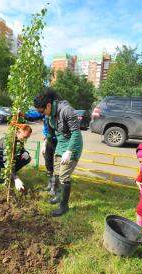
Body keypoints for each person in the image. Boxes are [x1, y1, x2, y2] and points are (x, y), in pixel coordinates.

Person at [34, 88, 83, 217]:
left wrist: (69, 151)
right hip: (60, 145)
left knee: (64, 176)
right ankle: (58, 196)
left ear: (48, 105)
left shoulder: (66, 110)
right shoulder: (50, 117)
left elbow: (76, 133)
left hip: (73, 145)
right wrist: (45, 143)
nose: (42, 114)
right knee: (56, 172)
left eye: (42, 111)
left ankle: (64, 206)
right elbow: (50, 134)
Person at [0, 124, 32, 191]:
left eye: (27, 137)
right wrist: (16, 179)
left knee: (27, 158)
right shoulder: (8, 141)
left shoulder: (20, 139)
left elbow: (21, 149)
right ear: (18, 132)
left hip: (6, 159)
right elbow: (7, 161)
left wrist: (26, 153)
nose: (25, 139)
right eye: (25, 137)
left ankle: (10, 174)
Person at [42, 115, 57, 195]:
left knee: (57, 165)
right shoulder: (45, 117)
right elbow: (45, 129)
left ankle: (54, 187)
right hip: (49, 141)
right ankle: (50, 183)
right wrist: (44, 144)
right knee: (48, 163)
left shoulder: (56, 115)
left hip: (58, 142)